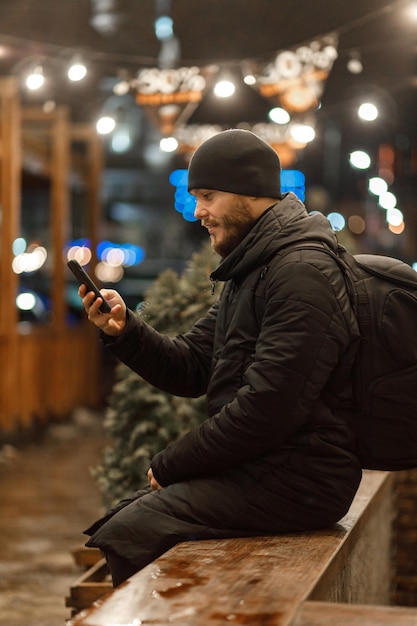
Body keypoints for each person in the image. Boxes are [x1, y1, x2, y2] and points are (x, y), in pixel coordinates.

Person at [81, 129, 362, 587]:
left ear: (250, 191)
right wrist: (126, 331)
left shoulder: (301, 272)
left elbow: (268, 409)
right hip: (267, 469)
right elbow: (193, 364)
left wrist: (171, 463)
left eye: (208, 196)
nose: (198, 212)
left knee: (134, 530)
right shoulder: (254, 267)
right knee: (128, 520)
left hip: (302, 481)